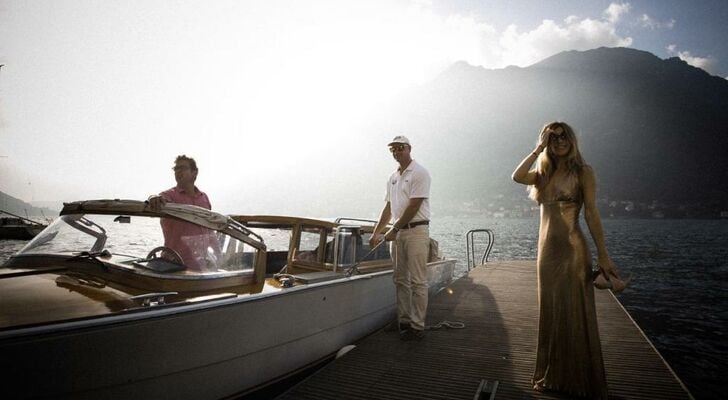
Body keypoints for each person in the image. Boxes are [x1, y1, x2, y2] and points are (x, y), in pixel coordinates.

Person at [512, 122, 629, 398]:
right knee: (551, 310)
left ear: (572, 139)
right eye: (553, 138)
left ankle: (580, 378)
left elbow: (591, 214)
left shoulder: (584, 172)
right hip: (546, 251)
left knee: (575, 310)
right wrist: (538, 148)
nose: (559, 141)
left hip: (573, 248)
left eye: (563, 136)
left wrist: (603, 254)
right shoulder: (543, 172)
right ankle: (554, 375)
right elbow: (516, 176)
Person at [370, 135, 432, 341]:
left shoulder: (420, 173)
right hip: (398, 232)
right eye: (393, 149)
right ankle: (404, 322)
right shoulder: (393, 177)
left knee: (417, 280)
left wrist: (395, 228)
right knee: (400, 279)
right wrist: (377, 231)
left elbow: (414, 205)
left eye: (400, 148)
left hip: (416, 231)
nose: (396, 152)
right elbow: (388, 207)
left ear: (409, 148)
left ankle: (417, 326)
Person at [147, 155, 217, 272]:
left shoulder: (204, 198)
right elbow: (155, 200)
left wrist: (218, 257)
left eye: (182, 168)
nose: (178, 171)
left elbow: (210, 231)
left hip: (200, 266)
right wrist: (153, 198)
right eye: (176, 169)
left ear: (194, 173)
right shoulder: (168, 196)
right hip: (173, 265)